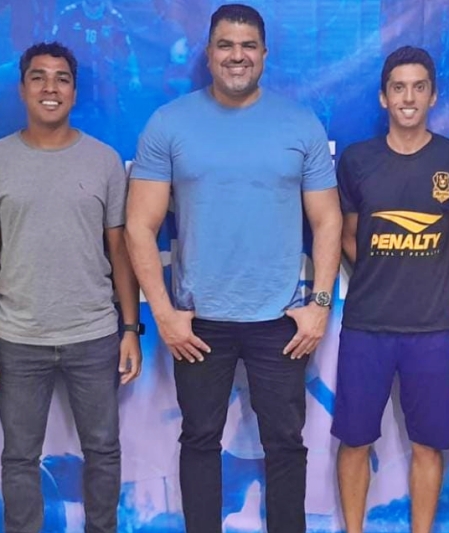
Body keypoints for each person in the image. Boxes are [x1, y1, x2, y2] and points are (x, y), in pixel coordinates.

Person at [124, 4, 342, 533]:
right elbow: (138, 226)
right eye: (225, 45)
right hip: (199, 322)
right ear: (209, 53)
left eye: (247, 46)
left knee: (285, 443)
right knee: (200, 441)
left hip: (280, 320)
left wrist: (319, 304)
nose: (236, 56)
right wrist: (165, 314)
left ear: (264, 54)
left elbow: (328, 219)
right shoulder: (169, 123)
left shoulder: (300, 123)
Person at [0, 41, 141, 533]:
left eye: (62, 78)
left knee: (103, 449)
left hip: (94, 333)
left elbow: (120, 250)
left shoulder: (104, 160)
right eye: (38, 77)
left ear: (74, 91)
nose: (50, 87)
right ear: (22, 89)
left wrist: (130, 329)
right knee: (20, 456)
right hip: (17, 338)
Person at [332, 46, 449, 533]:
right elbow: (349, 237)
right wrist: (386, 268)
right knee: (355, 440)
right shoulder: (357, 160)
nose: (408, 97)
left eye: (419, 87)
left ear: (433, 96)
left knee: (428, 444)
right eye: (398, 88)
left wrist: (418, 269)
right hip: (366, 325)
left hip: (431, 327)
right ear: (384, 97)